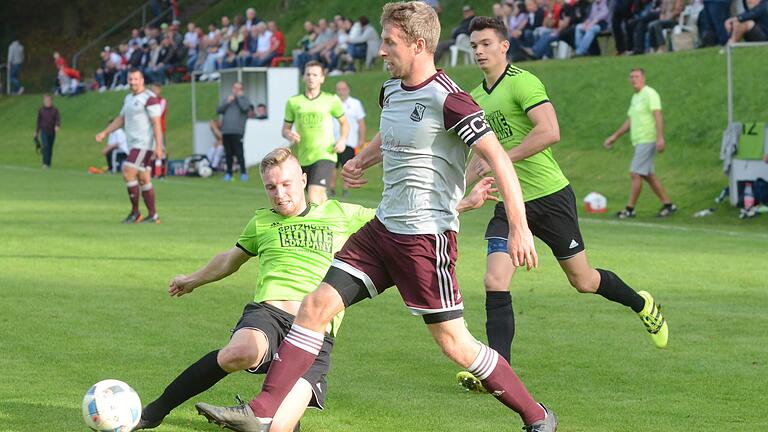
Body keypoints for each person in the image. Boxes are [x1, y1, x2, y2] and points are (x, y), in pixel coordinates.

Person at [195, 3, 557, 432]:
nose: (382, 51)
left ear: (418, 44)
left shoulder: (451, 99)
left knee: (455, 344)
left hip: (425, 240)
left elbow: (498, 158)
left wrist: (518, 225)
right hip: (381, 230)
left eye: (390, 42)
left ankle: (537, 417)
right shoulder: (391, 91)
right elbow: (390, 134)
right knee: (315, 307)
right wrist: (362, 161)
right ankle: (261, 412)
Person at [132, 147, 498, 432]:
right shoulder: (261, 222)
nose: (279, 194)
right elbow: (230, 259)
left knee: (276, 427)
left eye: (286, 184)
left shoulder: (340, 213)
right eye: (271, 187)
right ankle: (157, 410)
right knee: (239, 351)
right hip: (269, 314)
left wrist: (463, 203)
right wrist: (192, 280)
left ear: (304, 180)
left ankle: (272, 413)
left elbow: (404, 221)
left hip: (315, 330)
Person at [454, 16, 670, 393]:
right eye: (474, 45)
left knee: (583, 281)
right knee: (494, 279)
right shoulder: (476, 97)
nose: (479, 51)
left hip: (551, 198)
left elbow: (549, 131)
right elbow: (479, 156)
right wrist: (460, 188)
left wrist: (504, 158)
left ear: (504, 46)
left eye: (486, 43)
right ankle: (495, 369)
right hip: (511, 203)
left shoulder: (524, 82)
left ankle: (642, 304)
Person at [604, 68, 677, 218]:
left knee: (635, 173)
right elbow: (630, 120)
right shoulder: (635, 97)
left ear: (643, 78)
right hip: (639, 141)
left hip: (648, 139)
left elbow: (658, 115)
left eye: (636, 76)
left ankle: (630, 209)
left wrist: (660, 137)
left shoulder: (650, 94)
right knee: (648, 175)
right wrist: (615, 136)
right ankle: (668, 205)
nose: (633, 79)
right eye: (631, 77)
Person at [95, 68, 164, 224]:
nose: (133, 82)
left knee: (127, 171)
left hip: (144, 144)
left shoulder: (149, 98)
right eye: (130, 79)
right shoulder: (128, 98)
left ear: (142, 80)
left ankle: (135, 213)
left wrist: (159, 146)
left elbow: (156, 124)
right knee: (143, 178)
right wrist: (105, 133)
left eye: (136, 79)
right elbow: (121, 119)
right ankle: (153, 215)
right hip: (133, 144)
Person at [282, 61, 349, 205]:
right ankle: (331, 225)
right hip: (304, 157)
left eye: (315, 74)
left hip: (325, 155)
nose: (311, 77)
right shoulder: (294, 102)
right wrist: (289, 134)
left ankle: (321, 225)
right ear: (303, 77)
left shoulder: (331, 100)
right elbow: (285, 129)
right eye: (308, 74)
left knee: (313, 195)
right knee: (321, 199)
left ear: (322, 78)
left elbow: (344, 122)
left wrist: (342, 140)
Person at [330, 81, 366, 198]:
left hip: (349, 141)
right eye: (339, 89)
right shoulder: (332, 103)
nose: (341, 91)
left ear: (348, 90)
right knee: (333, 167)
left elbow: (361, 123)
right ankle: (332, 188)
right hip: (333, 140)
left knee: (346, 166)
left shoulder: (355, 104)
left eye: (343, 89)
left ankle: (345, 189)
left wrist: (361, 138)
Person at [217, 81, 252, 182]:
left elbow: (245, 108)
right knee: (228, 153)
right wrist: (228, 102)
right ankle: (229, 173)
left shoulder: (245, 99)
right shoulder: (227, 99)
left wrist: (238, 98)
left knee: (239, 152)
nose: (236, 91)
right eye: (235, 88)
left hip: (238, 130)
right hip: (226, 130)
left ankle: (243, 173)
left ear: (242, 90)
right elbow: (219, 110)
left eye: (238, 89)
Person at [35, 94, 60, 168]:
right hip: (44, 131)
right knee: (45, 146)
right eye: (45, 100)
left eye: (48, 100)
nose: (47, 102)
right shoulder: (41, 110)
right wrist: (36, 131)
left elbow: (57, 119)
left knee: (50, 147)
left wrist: (57, 125)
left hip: (52, 131)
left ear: (51, 101)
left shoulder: (55, 110)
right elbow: (38, 121)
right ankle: (44, 163)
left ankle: (48, 163)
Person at [149, 82, 168, 178]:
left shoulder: (162, 101)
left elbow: (158, 113)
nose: (153, 91)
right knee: (152, 150)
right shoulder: (148, 101)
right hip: (150, 130)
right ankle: (153, 173)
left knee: (161, 150)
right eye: (152, 89)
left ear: (159, 90)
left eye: (155, 89)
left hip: (160, 129)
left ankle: (161, 173)